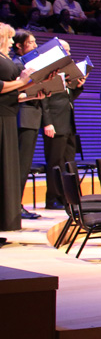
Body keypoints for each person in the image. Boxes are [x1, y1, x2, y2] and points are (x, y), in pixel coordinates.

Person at [0, 23, 36, 231]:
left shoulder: (5, 58)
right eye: (10, 38)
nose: (13, 42)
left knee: (7, 173)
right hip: (2, 118)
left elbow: (13, 91)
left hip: (8, 117)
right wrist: (23, 81)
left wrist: (33, 88)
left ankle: (5, 223)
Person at [41, 40, 84, 211]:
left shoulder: (65, 71)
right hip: (55, 124)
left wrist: (78, 87)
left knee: (68, 162)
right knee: (55, 163)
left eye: (69, 49)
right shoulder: (46, 70)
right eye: (65, 49)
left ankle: (67, 198)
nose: (68, 53)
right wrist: (47, 122)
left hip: (68, 123)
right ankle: (52, 199)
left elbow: (67, 98)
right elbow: (43, 98)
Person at [12, 31, 42, 220]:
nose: (35, 45)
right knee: (21, 166)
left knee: (23, 165)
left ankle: (16, 204)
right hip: (23, 118)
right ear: (19, 46)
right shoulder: (17, 64)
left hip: (29, 117)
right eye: (30, 42)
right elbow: (15, 91)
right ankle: (16, 205)